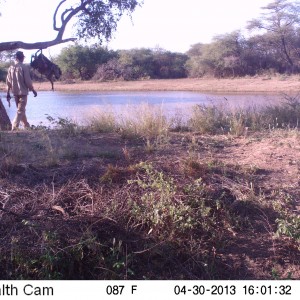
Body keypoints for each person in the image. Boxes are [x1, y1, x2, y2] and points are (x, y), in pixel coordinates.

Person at [6, 50, 37, 130]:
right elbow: (28, 81)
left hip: (15, 93)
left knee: (21, 111)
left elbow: (8, 82)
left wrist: (8, 93)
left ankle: (27, 126)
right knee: (20, 111)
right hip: (23, 93)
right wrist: (32, 90)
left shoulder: (11, 68)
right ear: (22, 58)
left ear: (16, 58)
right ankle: (14, 127)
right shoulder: (24, 67)